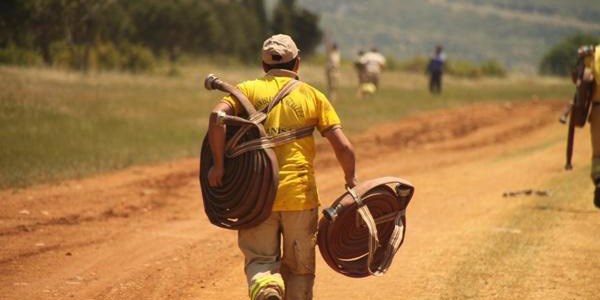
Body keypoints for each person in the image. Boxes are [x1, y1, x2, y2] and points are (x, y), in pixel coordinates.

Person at [206, 34, 357, 300]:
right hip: (299, 197)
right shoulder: (313, 96)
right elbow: (343, 147)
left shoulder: (247, 91)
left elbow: (217, 118)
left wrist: (218, 166)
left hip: (256, 198)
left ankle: (266, 289)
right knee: (300, 270)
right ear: (297, 63)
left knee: (260, 261)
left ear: (264, 66)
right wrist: (350, 179)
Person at [576, 44, 600, 209]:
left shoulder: (595, 54)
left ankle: (599, 180)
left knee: (598, 153)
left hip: (598, 110)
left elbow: (580, 81)